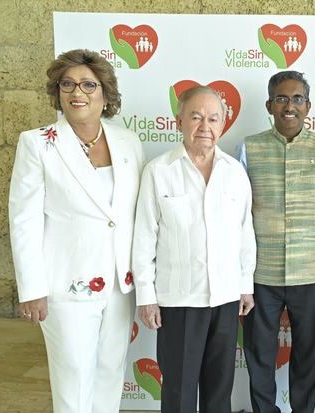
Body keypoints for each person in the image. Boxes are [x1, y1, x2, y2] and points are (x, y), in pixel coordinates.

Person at [8, 49, 145, 412]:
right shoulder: (37, 143)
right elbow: (24, 219)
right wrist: (31, 289)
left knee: (109, 371)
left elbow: (134, 215)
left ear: (105, 93)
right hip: (64, 286)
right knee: (73, 378)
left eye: (88, 84)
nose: (77, 92)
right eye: (67, 84)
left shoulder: (128, 142)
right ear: (58, 92)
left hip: (119, 283)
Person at [132, 86, 256, 413]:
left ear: (223, 124)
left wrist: (245, 286)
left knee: (219, 389)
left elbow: (245, 233)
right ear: (179, 121)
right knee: (179, 390)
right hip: (179, 300)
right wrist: (146, 296)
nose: (205, 126)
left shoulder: (234, 173)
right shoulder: (158, 172)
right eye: (196, 117)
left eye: (213, 118)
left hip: (226, 298)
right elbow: (144, 236)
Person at [237, 70, 315, 413]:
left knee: (310, 353)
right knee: (258, 353)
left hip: (311, 272)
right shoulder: (249, 147)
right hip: (261, 274)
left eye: (297, 99)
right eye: (281, 99)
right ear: (270, 105)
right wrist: (241, 275)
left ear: (308, 106)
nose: (289, 106)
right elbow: (239, 216)